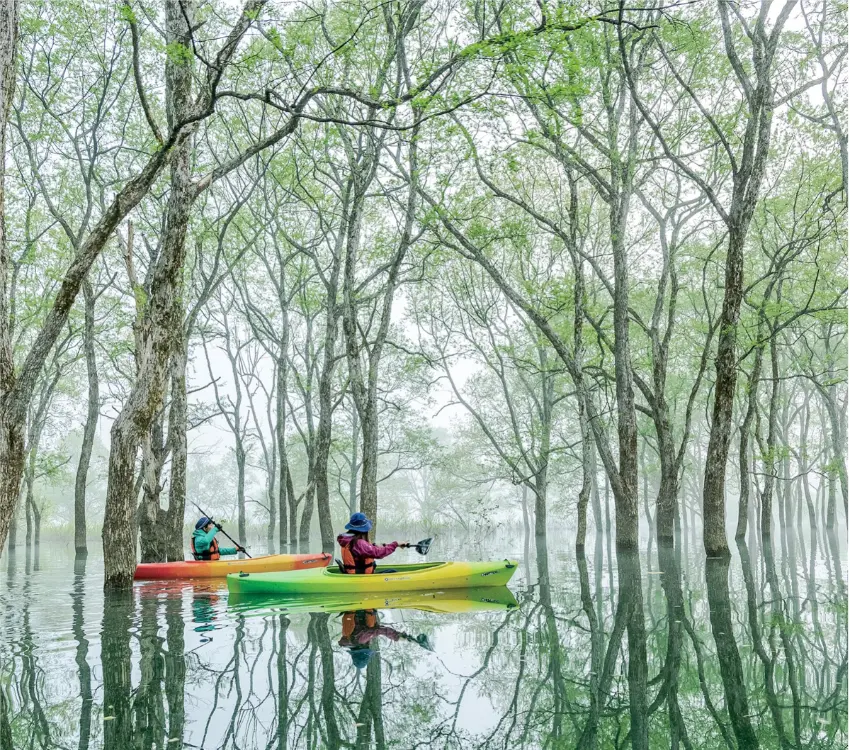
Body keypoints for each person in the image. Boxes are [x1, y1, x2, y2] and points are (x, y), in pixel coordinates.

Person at [336, 512, 408, 574]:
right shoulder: (359, 543)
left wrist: (374, 545)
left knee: (391, 571)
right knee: (393, 572)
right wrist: (396, 544)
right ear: (363, 530)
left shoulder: (348, 540)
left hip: (355, 575)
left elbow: (363, 550)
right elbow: (378, 553)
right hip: (362, 578)